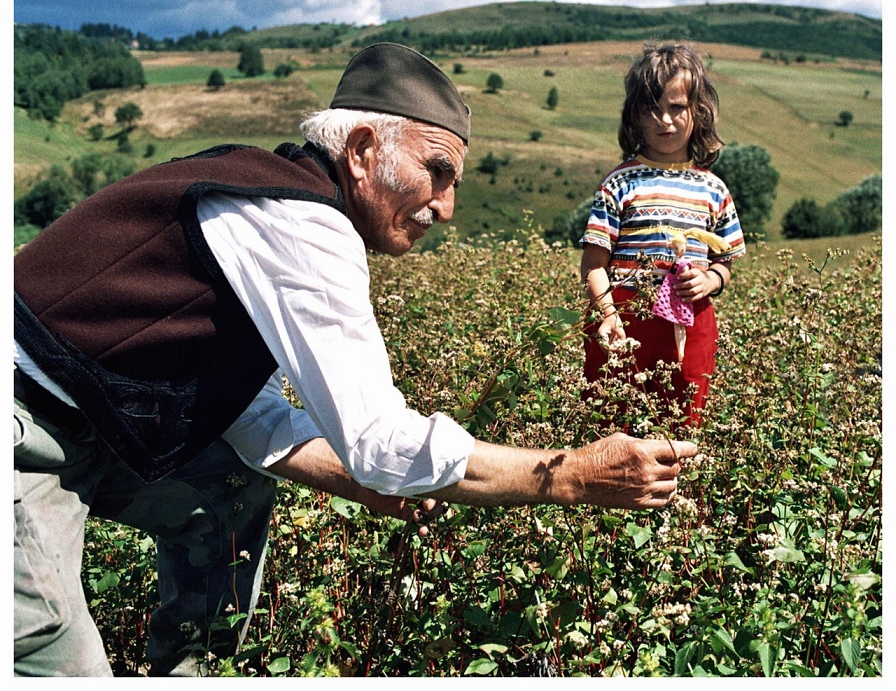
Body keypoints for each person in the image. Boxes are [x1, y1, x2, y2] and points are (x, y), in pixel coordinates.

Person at [14, 42, 697, 677]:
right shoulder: (299, 220)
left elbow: (246, 418)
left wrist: (361, 483)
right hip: (25, 429)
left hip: (87, 418)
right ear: (365, 150)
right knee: (55, 658)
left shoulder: (273, 197)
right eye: (437, 172)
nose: (448, 207)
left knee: (226, 490)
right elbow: (379, 440)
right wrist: (571, 476)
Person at [580, 43, 746, 430]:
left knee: (683, 424)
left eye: (676, 107)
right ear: (635, 116)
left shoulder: (713, 189)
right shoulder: (619, 183)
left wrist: (709, 279)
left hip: (691, 324)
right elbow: (593, 265)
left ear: (698, 112)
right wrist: (607, 315)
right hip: (622, 322)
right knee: (612, 423)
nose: (664, 120)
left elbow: (726, 263)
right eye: (651, 108)